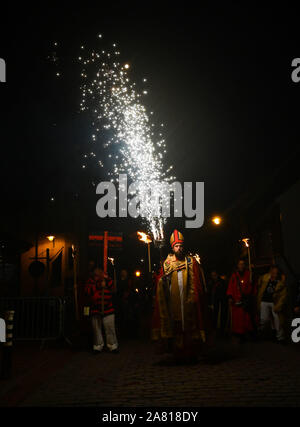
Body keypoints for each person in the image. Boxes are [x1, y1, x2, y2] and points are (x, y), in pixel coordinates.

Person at [152, 230, 210, 363]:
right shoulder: (167, 263)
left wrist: (195, 297)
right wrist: (161, 280)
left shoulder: (191, 261)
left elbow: (198, 282)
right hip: (174, 301)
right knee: (177, 325)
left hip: (189, 300)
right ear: (172, 247)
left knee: (189, 324)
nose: (179, 248)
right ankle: (178, 353)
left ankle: (191, 352)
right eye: (176, 246)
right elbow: (160, 282)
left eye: (181, 246)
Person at [85, 267, 119, 354]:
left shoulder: (107, 279)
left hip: (108, 308)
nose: (97, 276)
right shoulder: (90, 281)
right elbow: (88, 291)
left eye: (98, 274)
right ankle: (97, 346)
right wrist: (98, 286)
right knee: (96, 329)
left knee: (110, 328)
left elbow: (113, 289)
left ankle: (113, 346)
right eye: (95, 275)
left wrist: (107, 280)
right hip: (95, 309)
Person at [257, 265, 287, 343]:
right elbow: (259, 282)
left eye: (276, 273)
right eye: (273, 272)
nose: (274, 274)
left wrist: (278, 306)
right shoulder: (265, 278)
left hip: (274, 303)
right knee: (264, 319)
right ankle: (261, 333)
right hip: (264, 301)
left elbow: (283, 296)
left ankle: (280, 337)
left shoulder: (280, 282)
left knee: (278, 321)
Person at [227, 259, 254, 343]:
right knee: (237, 318)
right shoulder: (234, 275)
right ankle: (239, 334)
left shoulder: (248, 274)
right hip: (236, 300)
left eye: (243, 264)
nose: (241, 266)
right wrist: (230, 297)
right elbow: (231, 286)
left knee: (246, 318)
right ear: (237, 265)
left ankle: (246, 334)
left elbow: (251, 286)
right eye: (240, 264)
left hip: (245, 300)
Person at [208, 270, 228, 337]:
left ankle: (222, 330)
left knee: (222, 315)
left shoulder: (222, 282)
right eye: (212, 275)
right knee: (214, 316)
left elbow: (224, 291)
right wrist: (210, 302)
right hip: (215, 302)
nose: (214, 277)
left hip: (222, 301)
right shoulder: (211, 283)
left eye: (215, 275)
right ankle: (215, 329)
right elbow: (210, 293)